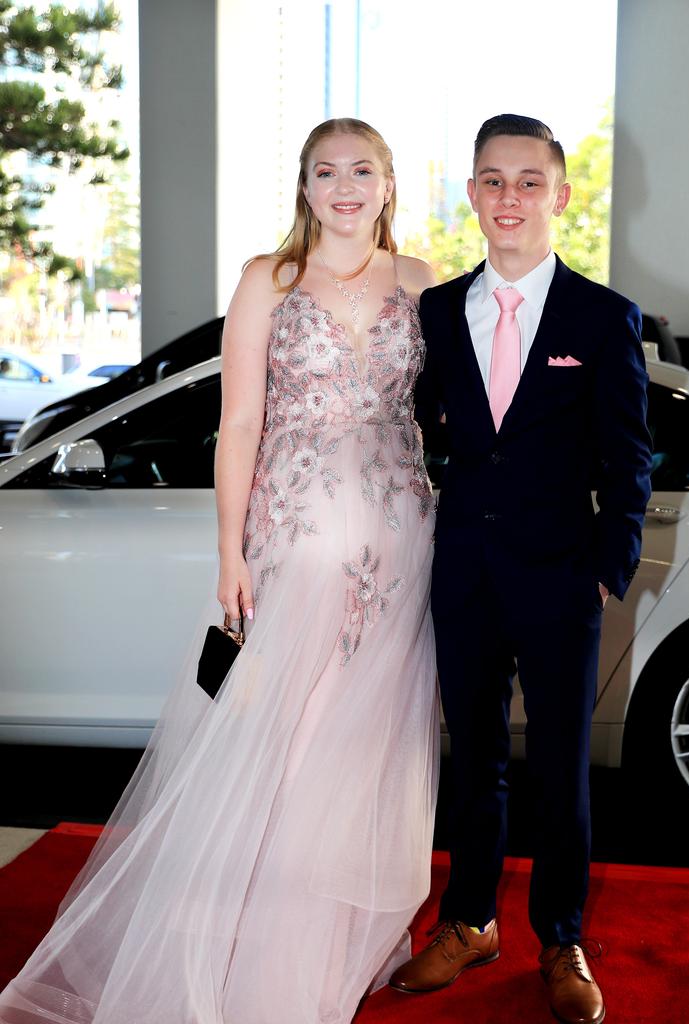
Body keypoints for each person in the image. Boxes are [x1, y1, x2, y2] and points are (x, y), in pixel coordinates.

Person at [0, 118, 440, 1024]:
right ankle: (260, 932)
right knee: (281, 736)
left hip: (402, 547)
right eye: (327, 171)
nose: (345, 186)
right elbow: (239, 423)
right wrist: (230, 551)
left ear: (388, 184)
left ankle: (330, 928)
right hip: (295, 542)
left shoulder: (424, 282)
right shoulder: (266, 280)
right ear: (306, 188)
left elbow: (446, 416)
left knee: (363, 748)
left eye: (362, 170)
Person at [390, 114, 653, 1024]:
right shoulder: (434, 312)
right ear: (471, 194)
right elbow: (419, 430)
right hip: (462, 567)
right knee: (473, 765)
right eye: (493, 182)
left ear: (561, 194)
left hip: (560, 576)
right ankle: (468, 922)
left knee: (561, 769)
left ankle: (561, 939)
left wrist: (606, 567)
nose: (510, 198)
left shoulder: (603, 317)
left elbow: (630, 458)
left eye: (529, 182)